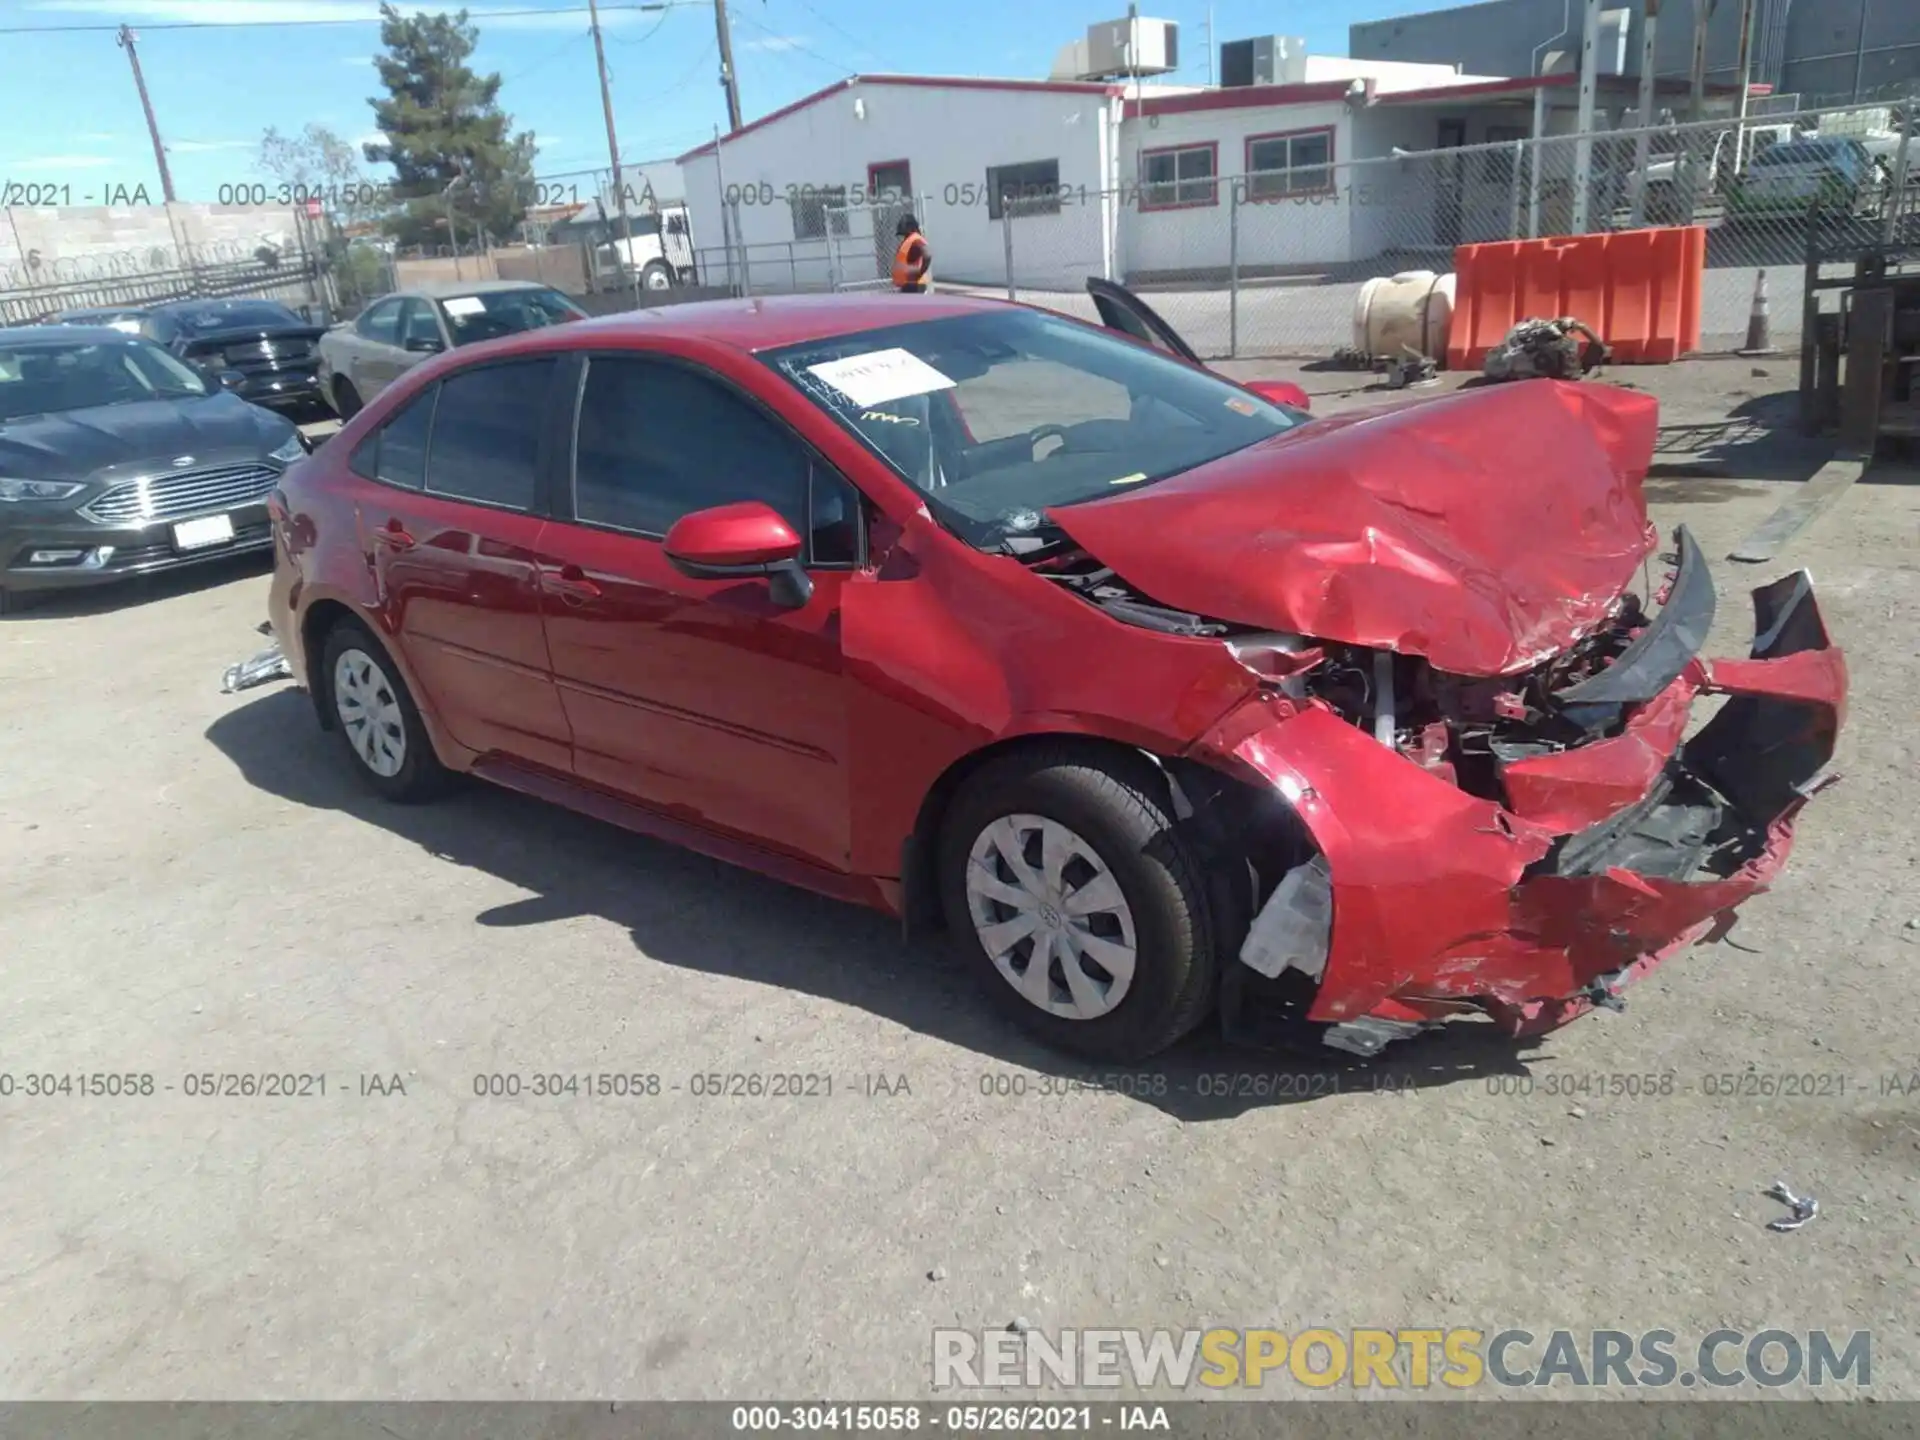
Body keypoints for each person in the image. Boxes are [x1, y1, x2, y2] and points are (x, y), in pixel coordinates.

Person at [891, 214, 932, 293]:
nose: (903, 235)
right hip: (908, 285)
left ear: (910, 227)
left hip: (915, 285)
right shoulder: (909, 240)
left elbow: (928, 255)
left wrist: (920, 271)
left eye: (904, 232)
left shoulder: (916, 239)